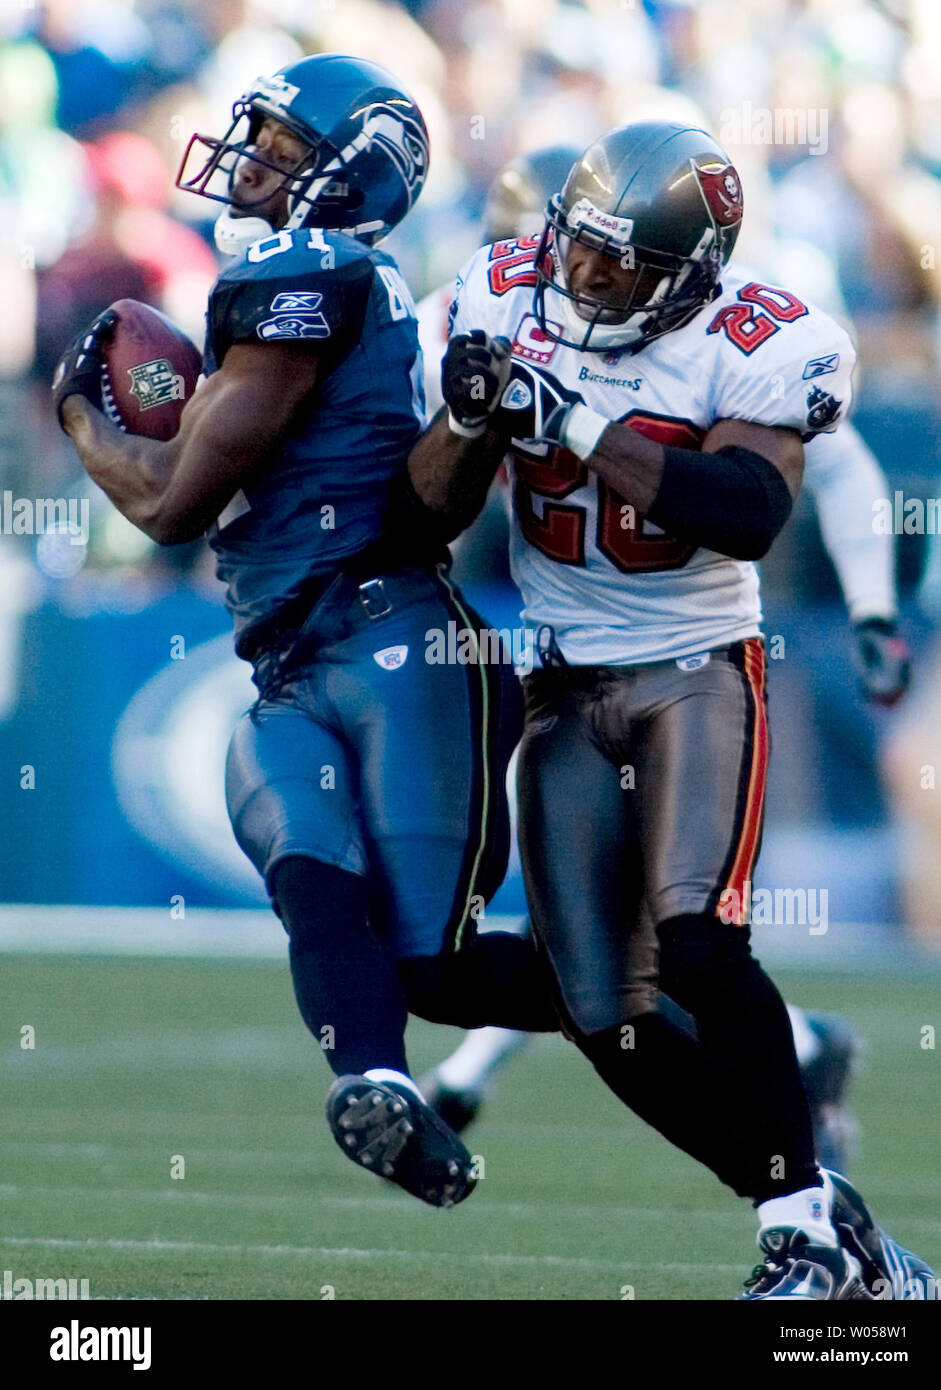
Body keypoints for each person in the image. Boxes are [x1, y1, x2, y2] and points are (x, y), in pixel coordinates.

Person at [406, 120, 938, 1297]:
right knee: (601, 1006)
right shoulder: (494, 293)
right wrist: (466, 420)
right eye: (577, 254)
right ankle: (824, 1220)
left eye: (620, 266)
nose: (586, 282)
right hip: (561, 677)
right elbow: (422, 515)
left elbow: (745, 510)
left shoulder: (758, 332)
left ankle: (798, 1237)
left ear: (692, 274)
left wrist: (578, 425)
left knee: (696, 938)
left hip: (694, 661)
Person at [52, 53, 558, 1212]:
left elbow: (173, 502)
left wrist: (82, 415)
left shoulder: (314, 271)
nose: (250, 158)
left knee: (437, 961)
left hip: (391, 636)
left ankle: (672, 1011)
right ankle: (377, 1086)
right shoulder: (311, 277)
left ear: (350, 169)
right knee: (307, 866)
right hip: (291, 654)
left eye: (279, 141)